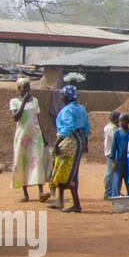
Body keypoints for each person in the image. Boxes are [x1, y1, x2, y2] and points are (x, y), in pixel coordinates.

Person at [49, 84, 89, 212]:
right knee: (70, 171)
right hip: (80, 141)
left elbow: (68, 127)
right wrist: (85, 144)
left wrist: (57, 143)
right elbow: (86, 128)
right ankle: (60, 200)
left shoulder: (67, 111)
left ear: (66, 97)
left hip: (69, 141)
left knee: (65, 171)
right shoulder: (81, 109)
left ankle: (75, 204)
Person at [9, 78, 49, 203]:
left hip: (36, 136)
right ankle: (25, 194)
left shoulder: (35, 101)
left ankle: (41, 192)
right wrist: (23, 103)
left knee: (38, 162)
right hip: (22, 138)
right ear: (19, 88)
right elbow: (15, 118)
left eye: (28, 87)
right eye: (24, 87)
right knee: (22, 162)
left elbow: (37, 119)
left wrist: (43, 136)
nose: (27, 89)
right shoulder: (14, 102)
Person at [109, 114, 129, 198]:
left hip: (128, 162)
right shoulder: (117, 133)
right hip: (119, 161)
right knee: (117, 181)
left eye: (123, 121)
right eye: (120, 121)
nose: (121, 123)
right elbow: (113, 148)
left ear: (128, 122)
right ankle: (115, 196)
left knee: (128, 180)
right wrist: (113, 162)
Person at [102, 110, 120, 198]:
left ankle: (114, 192)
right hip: (111, 153)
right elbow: (116, 139)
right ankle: (108, 193)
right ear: (114, 119)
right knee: (110, 173)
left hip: (114, 153)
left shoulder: (115, 128)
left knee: (114, 173)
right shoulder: (110, 128)